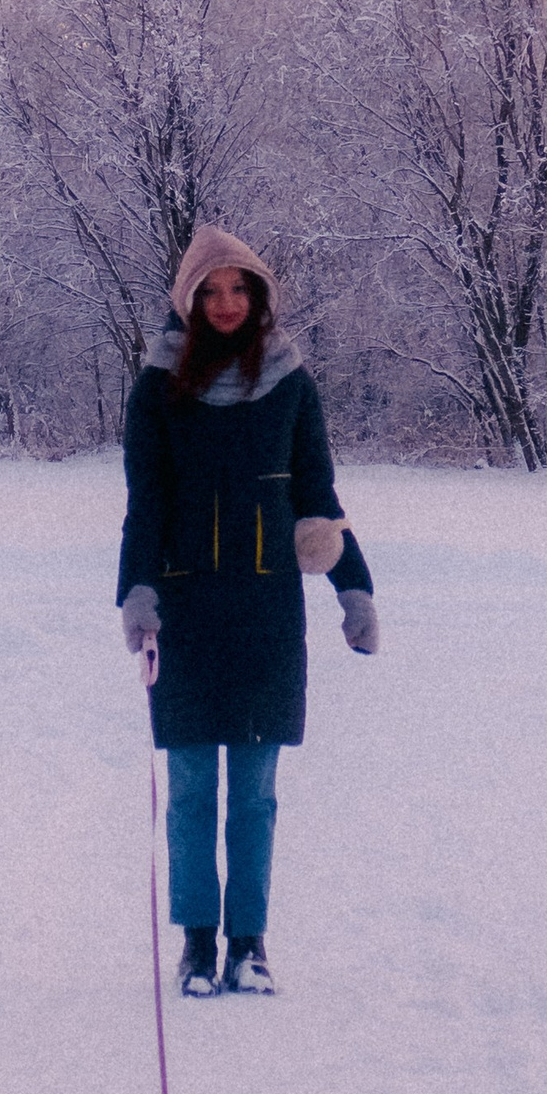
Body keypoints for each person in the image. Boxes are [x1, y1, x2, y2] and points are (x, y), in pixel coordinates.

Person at [117, 226, 377, 995]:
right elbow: (146, 502)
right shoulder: (158, 388)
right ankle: (199, 944)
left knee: (255, 794)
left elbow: (317, 496)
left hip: (266, 615)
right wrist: (138, 590)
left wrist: (353, 587)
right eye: (211, 290)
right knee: (193, 787)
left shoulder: (290, 383)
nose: (227, 302)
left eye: (239, 288)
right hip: (187, 612)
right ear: (189, 300)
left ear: (258, 295)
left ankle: (249, 943)